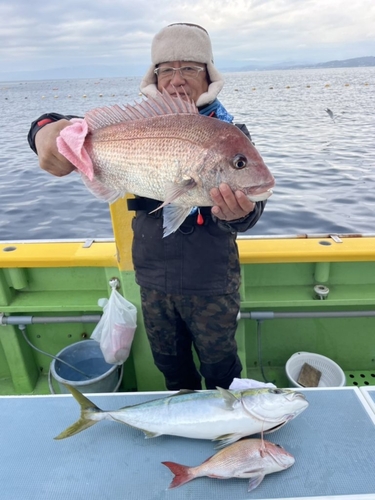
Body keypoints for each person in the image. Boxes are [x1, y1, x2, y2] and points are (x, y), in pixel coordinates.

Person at [27, 23, 267, 391]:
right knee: (171, 368)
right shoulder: (139, 122)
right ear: (154, 76)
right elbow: (67, 127)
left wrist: (243, 213)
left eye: (189, 67)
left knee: (221, 368)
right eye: (166, 68)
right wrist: (43, 131)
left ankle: (228, 435)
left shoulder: (231, 135)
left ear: (208, 75)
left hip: (212, 282)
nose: (177, 79)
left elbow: (252, 209)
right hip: (153, 279)